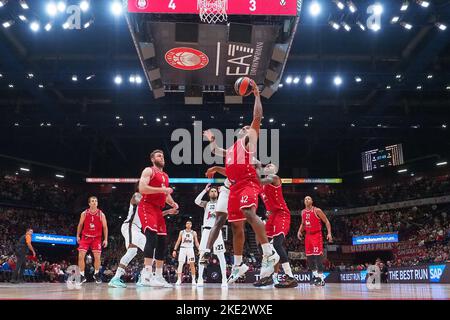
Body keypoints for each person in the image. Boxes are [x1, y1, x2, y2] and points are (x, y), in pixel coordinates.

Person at [203, 81, 279, 284]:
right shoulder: (231, 150)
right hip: (233, 188)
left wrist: (256, 95)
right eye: (244, 128)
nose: (247, 129)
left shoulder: (248, 144)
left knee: (248, 212)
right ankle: (237, 266)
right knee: (236, 227)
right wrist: (211, 139)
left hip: (248, 183)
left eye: (248, 129)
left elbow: (257, 117)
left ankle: (269, 253)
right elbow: (214, 151)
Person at [138, 149, 179, 287]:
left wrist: (172, 203)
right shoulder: (149, 171)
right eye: (158, 156)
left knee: (162, 242)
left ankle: (159, 276)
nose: (162, 158)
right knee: (152, 237)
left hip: (158, 209)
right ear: (152, 159)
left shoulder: (166, 176)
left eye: (162, 156)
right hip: (147, 206)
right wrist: (162, 190)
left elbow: (166, 195)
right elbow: (142, 188)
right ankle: (147, 274)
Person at [254, 163, 297, 288]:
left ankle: (290, 277)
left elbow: (260, 181)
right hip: (271, 216)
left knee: (277, 244)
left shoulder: (274, 178)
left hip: (281, 214)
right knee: (263, 244)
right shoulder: (261, 187)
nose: (268, 167)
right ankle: (266, 277)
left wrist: (254, 168)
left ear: (275, 169)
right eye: (266, 166)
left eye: (270, 166)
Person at [194, 183, 228, 287]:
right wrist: (204, 190)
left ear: (217, 194)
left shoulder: (221, 204)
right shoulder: (206, 203)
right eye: (211, 191)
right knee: (203, 254)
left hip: (217, 231)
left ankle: (224, 279)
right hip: (206, 231)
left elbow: (227, 216)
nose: (213, 192)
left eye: (215, 191)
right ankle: (200, 278)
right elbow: (196, 201)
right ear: (209, 194)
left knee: (221, 255)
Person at [297, 196, 332, 286]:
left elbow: (327, 221)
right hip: (308, 236)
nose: (307, 200)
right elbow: (303, 224)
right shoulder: (303, 212)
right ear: (304, 202)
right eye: (305, 199)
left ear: (312, 201)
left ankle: (321, 278)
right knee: (309, 258)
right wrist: (299, 231)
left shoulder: (317, 210)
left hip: (317, 235)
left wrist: (329, 233)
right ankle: (316, 277)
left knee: (318, 257)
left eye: (308, 199)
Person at [76, 196, 108, 284]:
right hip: (85, 237)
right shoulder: (84, 213)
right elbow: (80, 225)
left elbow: (105, 227)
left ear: (97, 203)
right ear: (89, 203)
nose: (94, 202)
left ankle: (96, 274)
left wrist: (105, 239)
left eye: (96, 201)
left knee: (97, 257)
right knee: (81, 256)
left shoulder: (101, 214)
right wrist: (77, 236)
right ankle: (82, 276)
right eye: (92, 201)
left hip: (96, 238)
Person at [173, 221, 200, 285]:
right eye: (187, 223)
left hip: (190, 249)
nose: (188, 224)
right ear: (185, 225)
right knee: (180, 264)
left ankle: (193, 280)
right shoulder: (182, 232)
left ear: (191, 225)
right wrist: (174, 250)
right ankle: (179, 280)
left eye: (189, 223)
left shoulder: (194, 232)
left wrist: (199, 249)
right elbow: (178, 241)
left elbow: (196, 242)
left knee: (192, 264)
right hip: (182, 249)